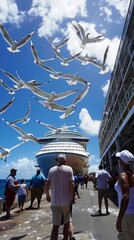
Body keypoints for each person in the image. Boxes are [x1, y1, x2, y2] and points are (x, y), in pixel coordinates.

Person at [45, 153, 75, 240]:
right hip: (66, 201)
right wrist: (72, 197)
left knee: (55, 226)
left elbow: (47, 183)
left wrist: (47, 195)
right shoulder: (69, 169)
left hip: (55, 202)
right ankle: (71, 237)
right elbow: (72, 184)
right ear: (65, 160)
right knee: (67, 223)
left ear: (58, 161)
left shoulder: (51, 170)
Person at [114, 150, 134, 240]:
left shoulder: (123, 176)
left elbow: (125, 197)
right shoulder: (132, 174)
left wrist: (119, 219)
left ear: (121, 162)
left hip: (128, 215)